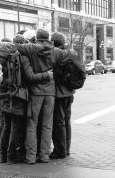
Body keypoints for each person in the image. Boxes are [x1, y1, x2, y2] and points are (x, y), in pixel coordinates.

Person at [15, 29, 70, 164]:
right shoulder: (56, 51)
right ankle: (45, 155)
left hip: (35, 93)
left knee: (32, 125)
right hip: (50, 93)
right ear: (48, 38)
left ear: (37, 38)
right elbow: (69, 58)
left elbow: (15, 46)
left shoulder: (31, 49)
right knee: (47, 126)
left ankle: (31, 156)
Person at [50, 32, 76, 159]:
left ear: (53, 42)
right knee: (67, 122)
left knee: (58, 123)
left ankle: (60, 151)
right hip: (69, 92)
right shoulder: (71, 52)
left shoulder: (55, 53)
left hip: (58, 92)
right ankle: (66, 150)